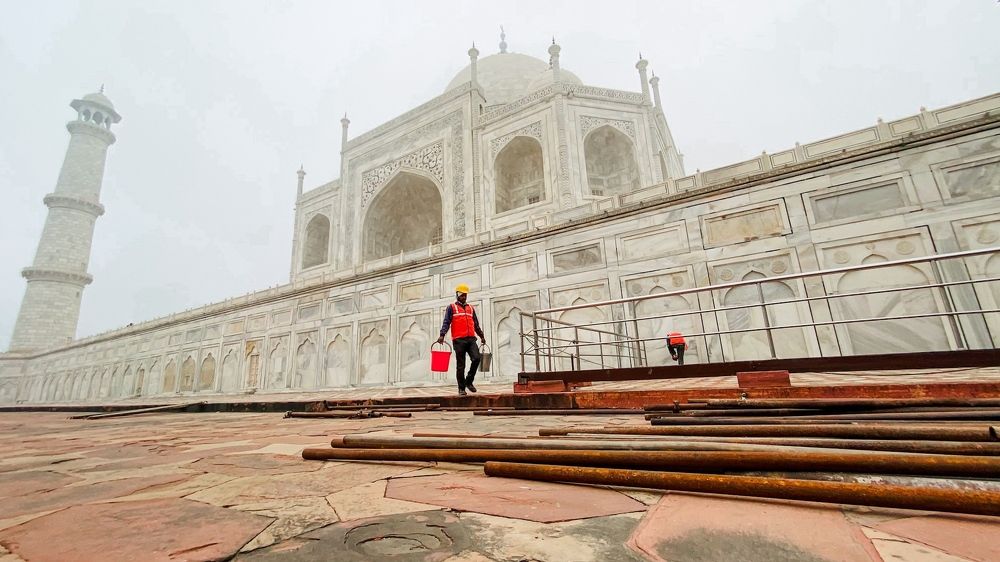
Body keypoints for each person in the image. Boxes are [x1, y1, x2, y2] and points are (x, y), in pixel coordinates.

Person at [437, 283, 487, 395]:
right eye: (462, 295)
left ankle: (468, 381)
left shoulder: (470, 308)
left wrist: (482, 336)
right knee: (461, 365)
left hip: (471, 339)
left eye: (465, 295)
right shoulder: (451, 307)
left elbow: (476, 324)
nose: (464, 297)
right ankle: (461, 388)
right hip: (459, 340)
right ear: (457, 295)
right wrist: (442, 334)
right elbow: (446, 322)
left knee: (476, 358)